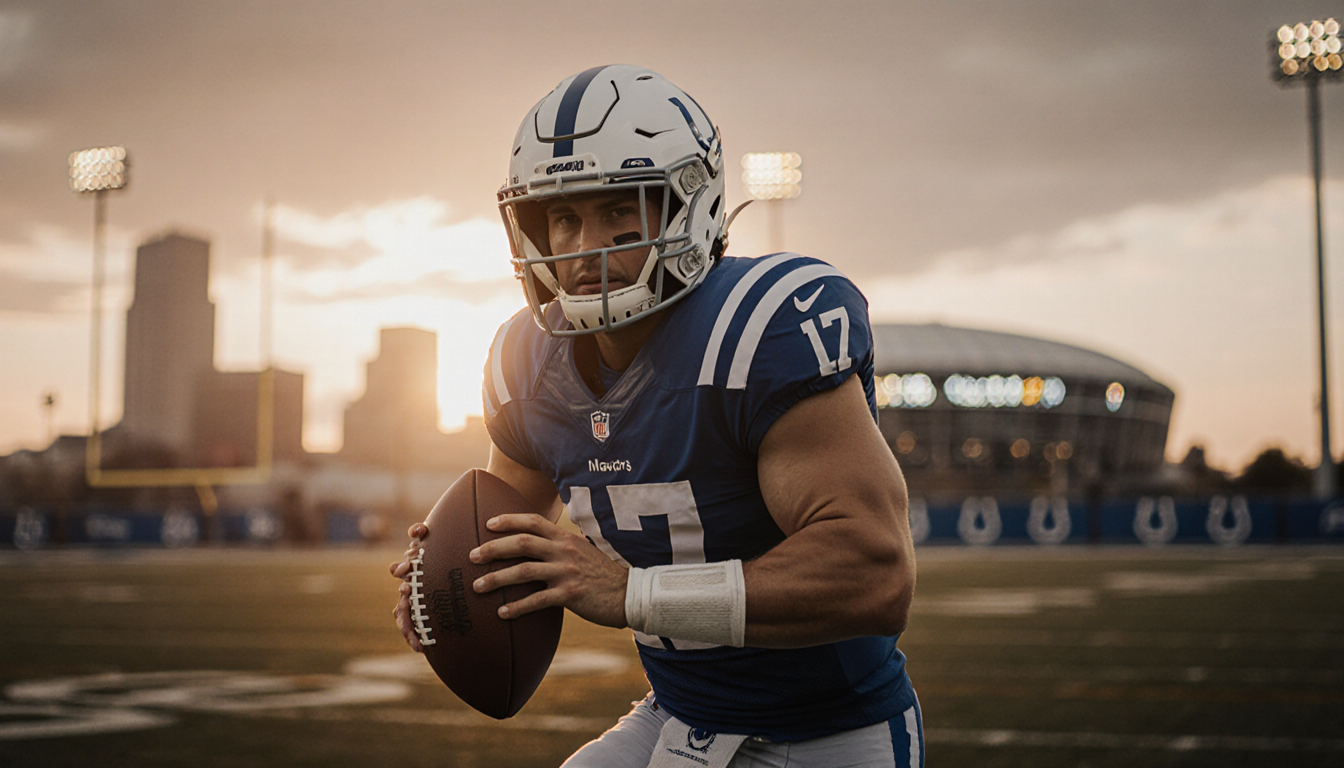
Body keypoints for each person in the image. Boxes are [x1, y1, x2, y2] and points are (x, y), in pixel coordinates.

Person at [391, 64, 921, 768]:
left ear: (687, 206)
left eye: (618, 211)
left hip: (831, 734)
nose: (585, 248)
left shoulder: (760, 328)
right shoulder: (526, 360)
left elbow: (873, 573)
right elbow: (500, 544)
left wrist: (631, 591)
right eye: (565, 218)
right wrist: (445, 589)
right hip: (680, 714)